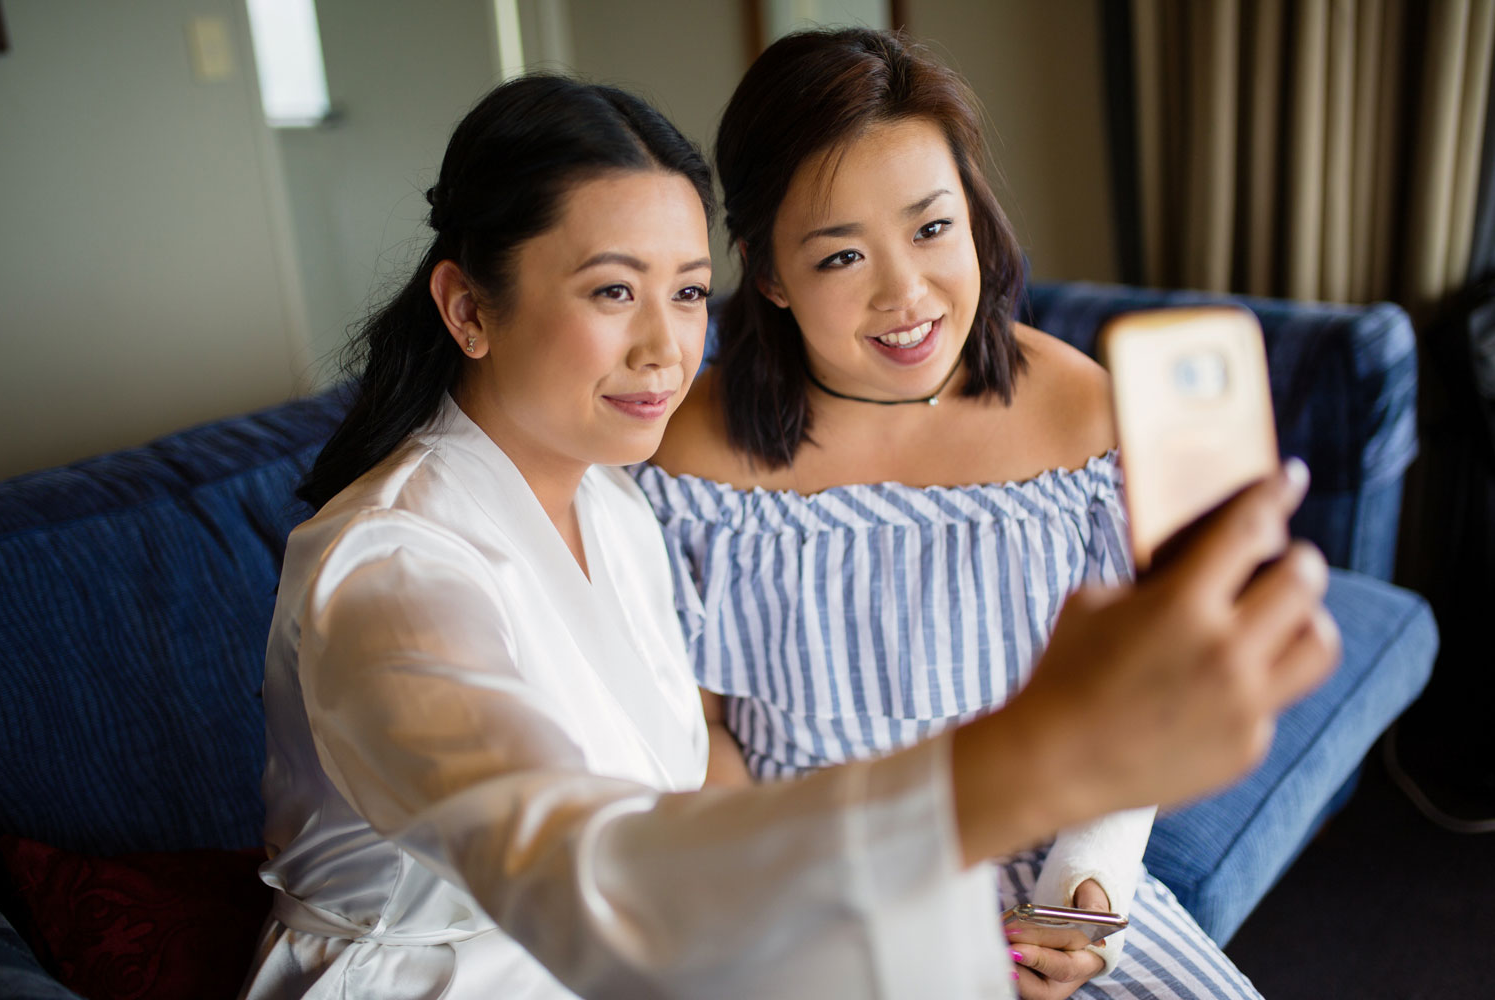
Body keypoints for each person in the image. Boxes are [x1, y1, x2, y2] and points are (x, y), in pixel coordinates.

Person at [242, 73, 1336, 1000]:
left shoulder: (613, 501)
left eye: (682, 294)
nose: (667, 350)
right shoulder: (392, 573)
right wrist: (1024, 762)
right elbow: (569, 869)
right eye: (612, 291)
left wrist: (1065, 879)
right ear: (468, 309)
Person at [639, 28, 1331, 1000]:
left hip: (1040, 889)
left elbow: (1134, 696)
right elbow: (695, 733)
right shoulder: (691, 459)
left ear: (974, 216)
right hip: (807, 895)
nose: (907, 293)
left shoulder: (1082, 411)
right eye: (841, 256)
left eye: (932, 228)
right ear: (768, 275)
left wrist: (1084, 900)